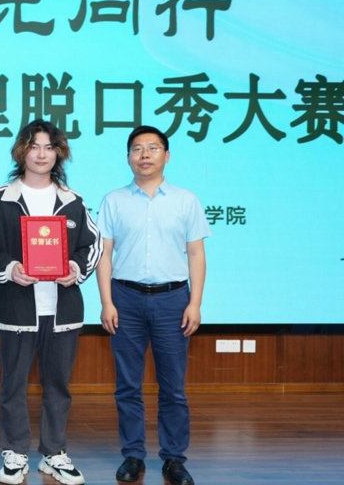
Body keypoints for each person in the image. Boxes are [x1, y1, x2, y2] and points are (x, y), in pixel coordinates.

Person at [0, 119, 100, 485]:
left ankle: (54, 452)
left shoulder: (73, 202)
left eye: (49, 147)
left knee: (57, 385)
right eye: (34, 146)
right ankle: (15, 453)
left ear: (59, 153)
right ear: (21, 152)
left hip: (62, 311)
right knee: (13, 384)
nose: (41, 154)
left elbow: (93, 245)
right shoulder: (0, 200)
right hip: (16, 311)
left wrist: (76, 268)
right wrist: (10, 269)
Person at [96, 125, 210, 485]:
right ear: (128, 157)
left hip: (173, 300)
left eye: (153, 148)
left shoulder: (186, 200)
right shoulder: (114, 200)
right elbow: (104, 255)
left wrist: (195, 303)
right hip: (125, 299)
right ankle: (133, 456)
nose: (144, 154)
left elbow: (196, 254)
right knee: (127, 386)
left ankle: (174, 458)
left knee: (173, 387)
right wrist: (106, 302)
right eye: (137, 149)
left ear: (167, 155)